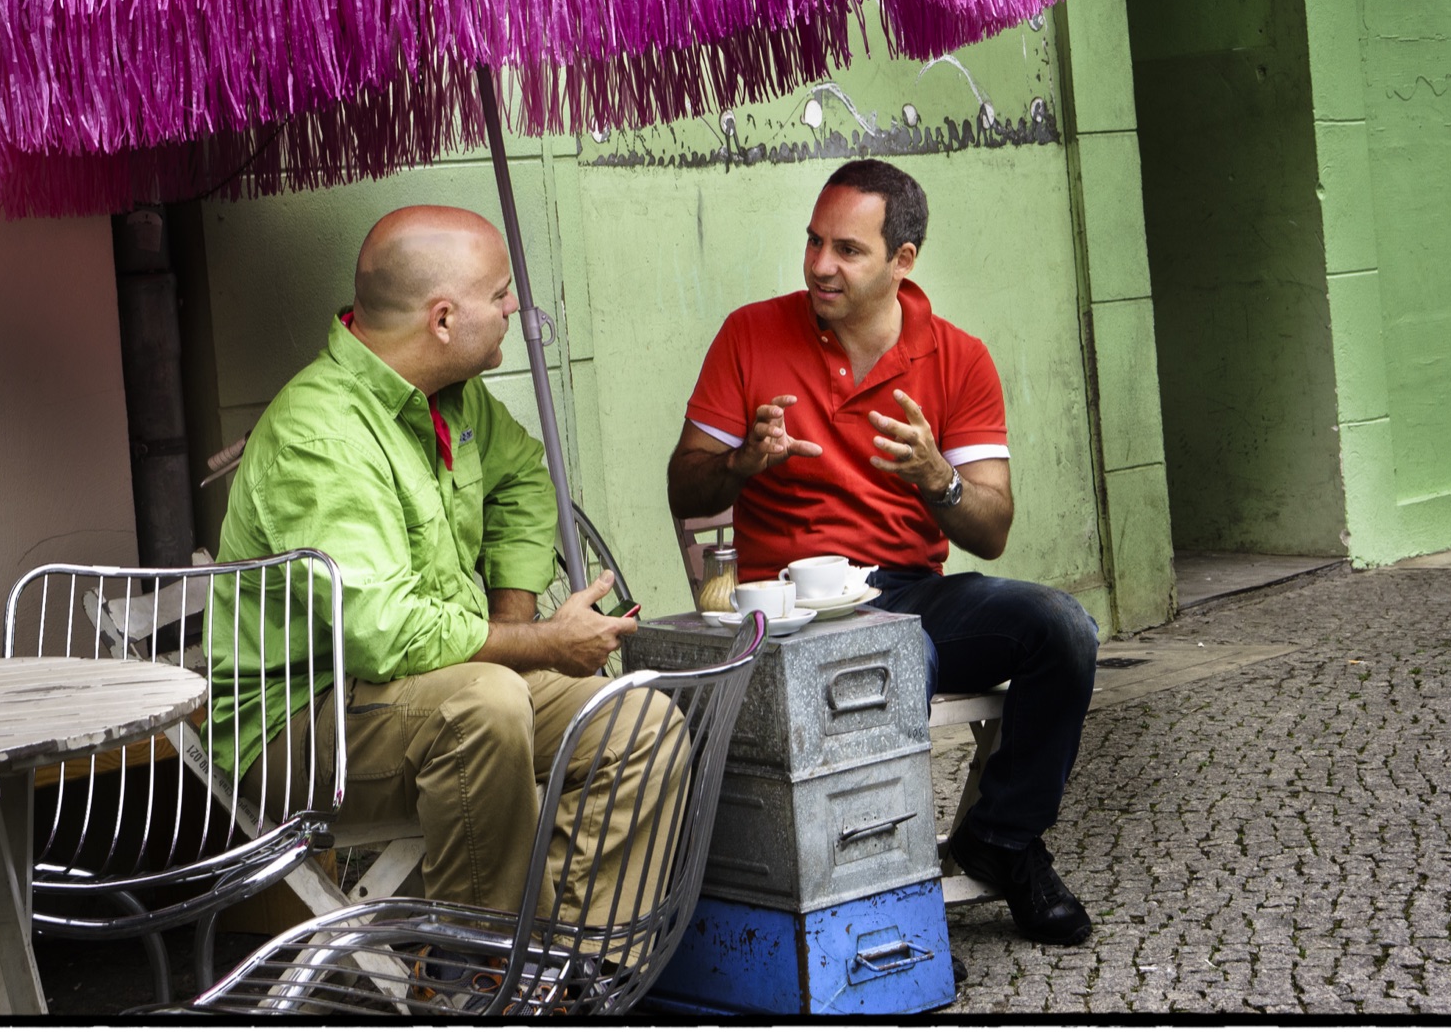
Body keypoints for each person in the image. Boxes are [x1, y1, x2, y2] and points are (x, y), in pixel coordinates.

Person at [666, 158, 1098, 946]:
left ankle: (1002, 839)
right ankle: (885, 899)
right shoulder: (750, 333)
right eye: (814, 241)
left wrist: (939, 479)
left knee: (1061, 628)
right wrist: (741, 463)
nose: (820, 265)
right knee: (899, 659)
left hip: (909, 592)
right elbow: (685, 488)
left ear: (903, 259)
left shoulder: (959, 358)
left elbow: (991, 530)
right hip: (786, 611)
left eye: (848, 249)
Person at [210, 204, 681, 926]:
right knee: (485, 704)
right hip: (300, 727)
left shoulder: (453, 398)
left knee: (639, 720)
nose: (513, 308)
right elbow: (383, 634)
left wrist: (515, 619)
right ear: (442, 319)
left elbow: (524, 477)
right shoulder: (319, 436)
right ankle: (479, 969)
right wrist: (540, 646)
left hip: (440, 685)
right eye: (499, 295)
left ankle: (570, 966)